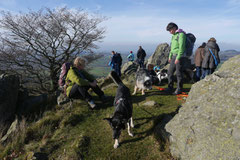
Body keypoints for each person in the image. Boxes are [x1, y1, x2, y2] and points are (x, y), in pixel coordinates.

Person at [165, 22, 186, 95]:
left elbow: (181, 47)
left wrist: (178, 57)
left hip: (179, 56)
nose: (170, 32)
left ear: (174, 28)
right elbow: (172, 47)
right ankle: (170, 87)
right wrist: (170, 56)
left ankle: (179, 89)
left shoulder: (181, 35)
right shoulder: (173, 36)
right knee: (170, 72)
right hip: (173, 56)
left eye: (170, 30)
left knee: (178, 73)